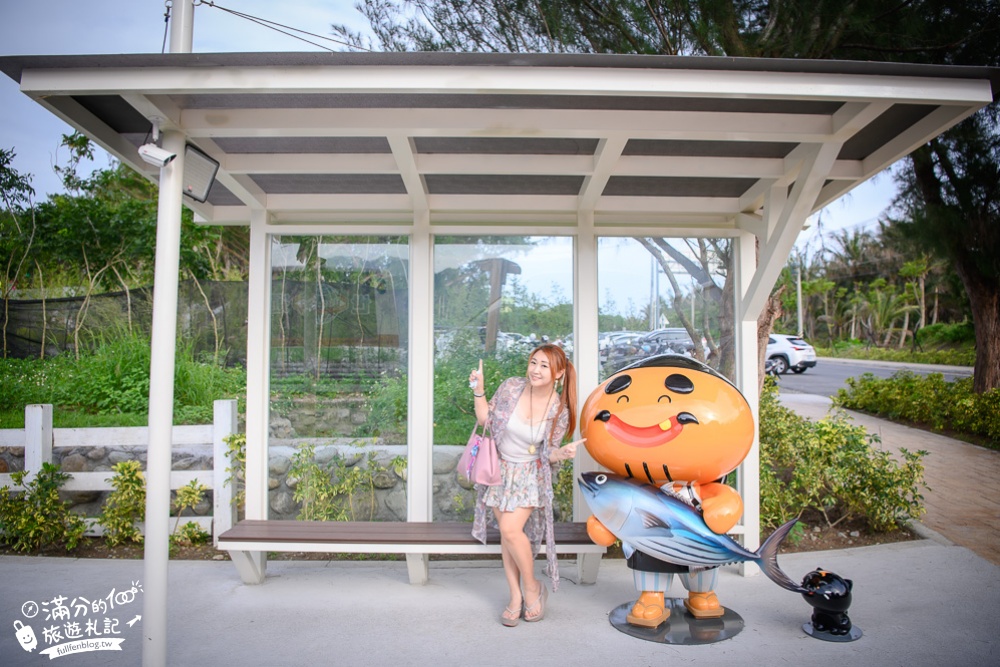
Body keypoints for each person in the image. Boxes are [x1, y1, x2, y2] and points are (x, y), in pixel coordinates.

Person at [468, 344, 584, 627]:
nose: (536, 370)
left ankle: (532, 586)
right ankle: (516, 597)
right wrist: (479, 390)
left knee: (509, 529)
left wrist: (563, 453)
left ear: (558, 373)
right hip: (500, 469)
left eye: (544, 365)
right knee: (508, 539)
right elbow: (485, 419)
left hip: (530, 475)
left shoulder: (559, 410)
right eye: (534, 362)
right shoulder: (511, 387)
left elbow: (549, 453)